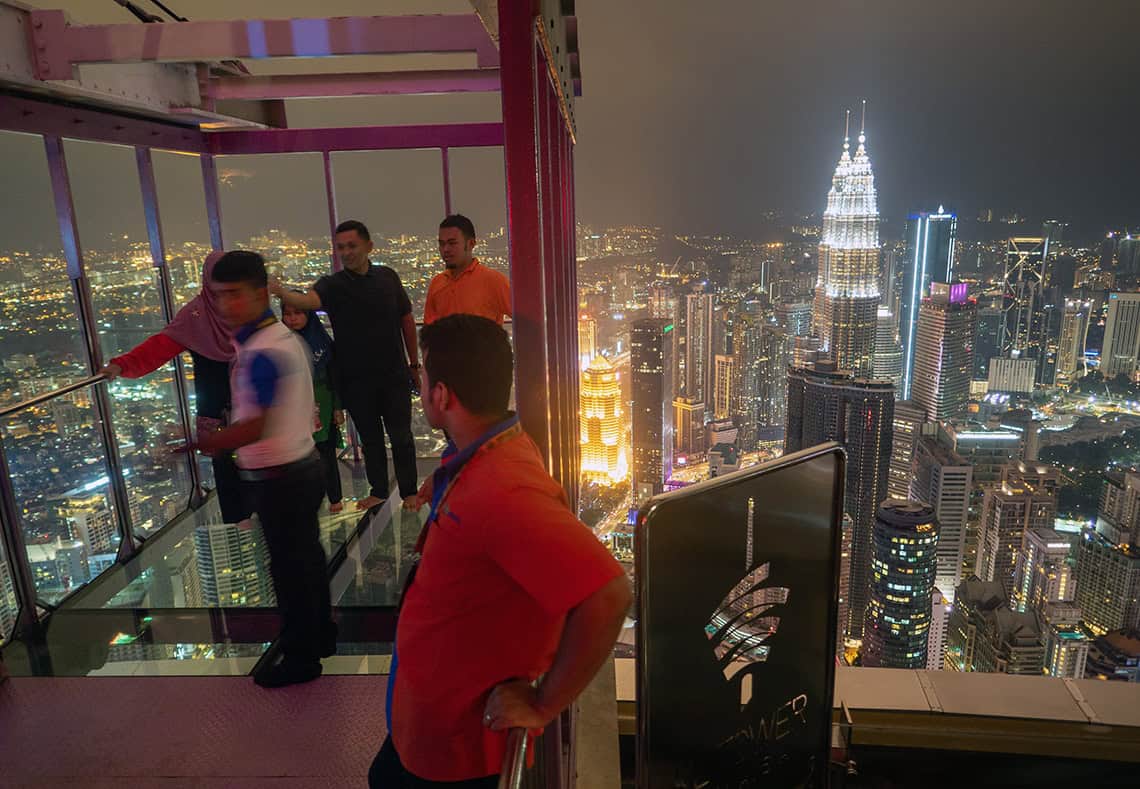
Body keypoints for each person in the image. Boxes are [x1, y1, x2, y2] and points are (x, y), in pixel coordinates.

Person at [369, 315, 631, 786]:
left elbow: (609, 594)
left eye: (423, 380)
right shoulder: (486, 451)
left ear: (442, 395)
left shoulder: (502, 489)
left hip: (458, 744)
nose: (419, 390)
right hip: (429, 718)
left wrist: (545, 703)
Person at [196, 251, 335, 688]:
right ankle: (320, 636)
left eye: (234, 294)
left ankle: (301, 659)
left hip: (281, 477)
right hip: (300, 466)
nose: (225, 305)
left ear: (261, 293)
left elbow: (258, 425)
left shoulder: (263, 351)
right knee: (306, 560)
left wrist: (203, 443)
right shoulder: (278, 340)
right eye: (219, 296)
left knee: (289, 570)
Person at [271, 220, 419, 511]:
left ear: (368, 246)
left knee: (401, 436)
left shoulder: (388, 277)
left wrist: (414, 364)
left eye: (352, 246)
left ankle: (409, 491)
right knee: (371, 439)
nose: (346, 252)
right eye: (341, 248)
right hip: (356, 379)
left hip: (393, 374)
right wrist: (281, 293)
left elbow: (406, 318)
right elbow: (309, 301)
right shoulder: (333, 285)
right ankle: (379, 490)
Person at [100, 250, 251, 526]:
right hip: (218, 406)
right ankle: (239, 526)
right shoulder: (196, 315)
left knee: (255, 459)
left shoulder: (247, 310)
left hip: (250, 401)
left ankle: (259, 518)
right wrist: (121, 366)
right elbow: (160, 347)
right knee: (225, 466)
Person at [281, 298, 345, 514]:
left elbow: (334, 377)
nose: (293, 319)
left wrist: (337, 407)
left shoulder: (322, 342)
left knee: (326, 452)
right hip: (294, 405)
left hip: (322, 403)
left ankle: (334, 497)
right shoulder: (281, 343)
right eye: (288, 314)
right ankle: (306, 499)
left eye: (298, 313)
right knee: (299, 455)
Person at [423, 214, 511, 326]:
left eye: (452, 243)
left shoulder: (494, 281)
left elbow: (524, 318)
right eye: (442, 244)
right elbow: (430, 330)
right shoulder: (436, 283)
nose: (445, 249)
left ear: (471, 244)